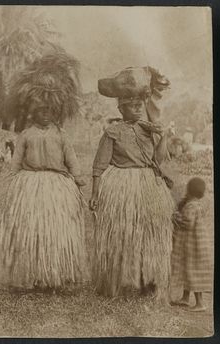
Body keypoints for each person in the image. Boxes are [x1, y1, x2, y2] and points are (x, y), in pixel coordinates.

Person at [0, 99, 87, 292]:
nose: (45, 114)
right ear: (33, 113)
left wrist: (77, 177)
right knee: (30, 230)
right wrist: (13, 183)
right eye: (41, 110)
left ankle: (55, 275)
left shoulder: (61, 135)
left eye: (50, 111)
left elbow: (71, 159)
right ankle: (30, 274)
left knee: (56, 231)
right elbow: (16, 161)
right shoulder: (27, 135)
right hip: (30, 184)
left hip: (57, 185)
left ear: (55, 114)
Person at [89, 96, 175, 299]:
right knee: (122, 234)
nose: (137, 109)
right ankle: (117, 282)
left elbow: (158, 159)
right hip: (122, 185)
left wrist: (163, 136)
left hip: (148, 183)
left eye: (139, 105)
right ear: (121, 109)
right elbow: (99, 165)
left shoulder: (148, 129)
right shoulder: (113, 132)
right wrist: (94, 193)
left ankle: (149, 280)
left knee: (150, 234)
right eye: (132, 106)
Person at [171, 177, 213, 311]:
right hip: (196, 245)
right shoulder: (199, 205)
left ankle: (200, 303)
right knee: (188, 272)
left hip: (193, 247)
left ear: (189, 191)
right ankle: (185, 298)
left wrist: (175, 217)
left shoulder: (191, 206)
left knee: (193, 274)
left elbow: (187, 223)